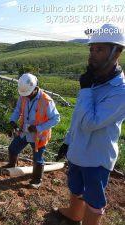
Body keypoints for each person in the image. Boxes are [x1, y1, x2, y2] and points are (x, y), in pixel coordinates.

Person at [56, 24, 125, 225]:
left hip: (96, 158)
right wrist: (68, 141)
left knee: (94, 197)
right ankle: (74, 214)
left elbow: (89, 123)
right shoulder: (93, 81)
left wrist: (85, 90)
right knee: (75, 186)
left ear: (117, 52)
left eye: (100, 49)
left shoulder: (120, 91)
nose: (92, 55)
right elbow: (78, 117)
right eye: (91, 49)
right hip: (78, 151)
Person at [3, 73, 60, 188]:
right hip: (24, 131)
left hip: (39, 135)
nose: (26, 97)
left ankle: (37, 180)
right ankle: (11, 164)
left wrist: (38, 128)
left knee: (38, 159)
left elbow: (56, 119)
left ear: (35, 88)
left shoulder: (46, 101)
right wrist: (13, 121)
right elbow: (17, 110)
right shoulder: (23, 96)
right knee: (13, 148)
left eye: (28, 94)